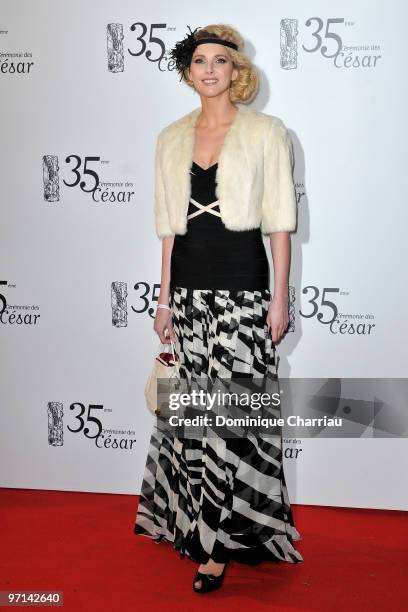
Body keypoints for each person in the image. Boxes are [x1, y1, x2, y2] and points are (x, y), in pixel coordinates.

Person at [134, 23, 303, 593]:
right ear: (188, 72)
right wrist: (164, 300)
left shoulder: (266, 132)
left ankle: (220, 544)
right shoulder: (170, 138)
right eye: (199, 60)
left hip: (244, 292)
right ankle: (198, 528)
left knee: (233, 420)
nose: (210, 69)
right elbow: (168, 230)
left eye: (220, 61)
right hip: (188, 294)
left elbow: (280, 223)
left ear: (237, 71)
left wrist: (279, 297)